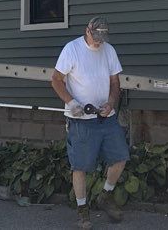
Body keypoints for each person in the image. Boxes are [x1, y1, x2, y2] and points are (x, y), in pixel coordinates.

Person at [52, 17, 128, 229]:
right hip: (81, 119)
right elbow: (56, 80)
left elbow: (115, 82)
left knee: (120, 157)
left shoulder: (109, 51)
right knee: (81, 166)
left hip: (106, 117)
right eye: (96, 37)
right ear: (87, 31)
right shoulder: (72, 49)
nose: (99, 42)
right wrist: (72, 102)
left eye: (102, 38)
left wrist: (111, 102)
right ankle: (82, 211)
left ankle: (105, 195)